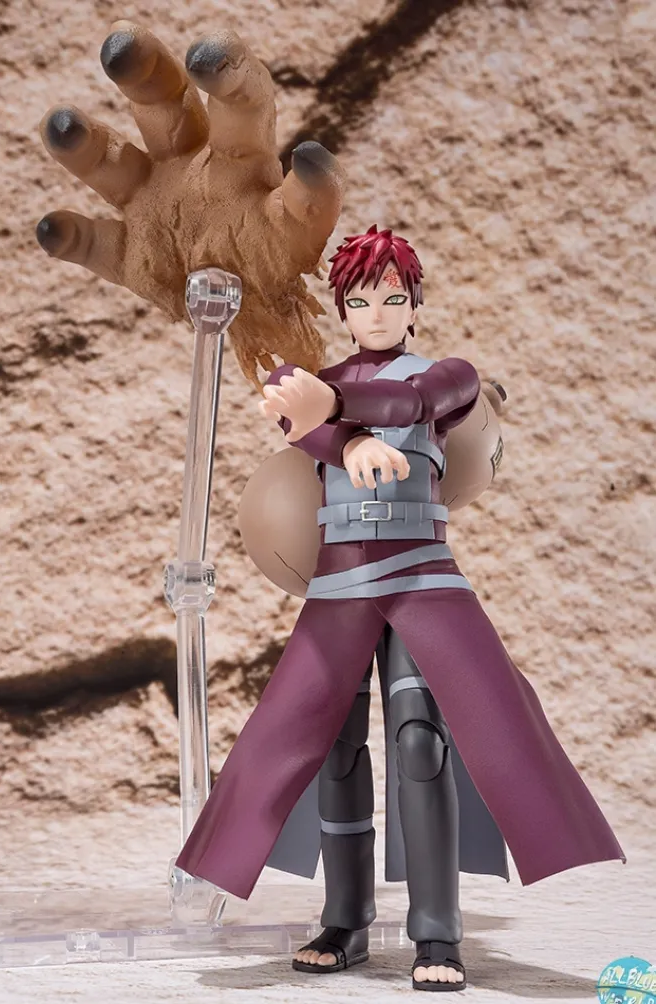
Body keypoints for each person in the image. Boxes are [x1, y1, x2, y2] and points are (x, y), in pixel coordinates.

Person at [176, 226, 625, 992]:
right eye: (359, 301)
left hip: (420, 575)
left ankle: (437, 933)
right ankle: (345, 920)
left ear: (414, 304)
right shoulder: (319, 386)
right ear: (342, 310)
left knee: (422, 744)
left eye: (391, 298)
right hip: (341, 583)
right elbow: (298, 417)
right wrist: (344, 438)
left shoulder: (446, 377)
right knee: (332, 749)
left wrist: (335, 406)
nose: (377, 314)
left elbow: (412, 403)